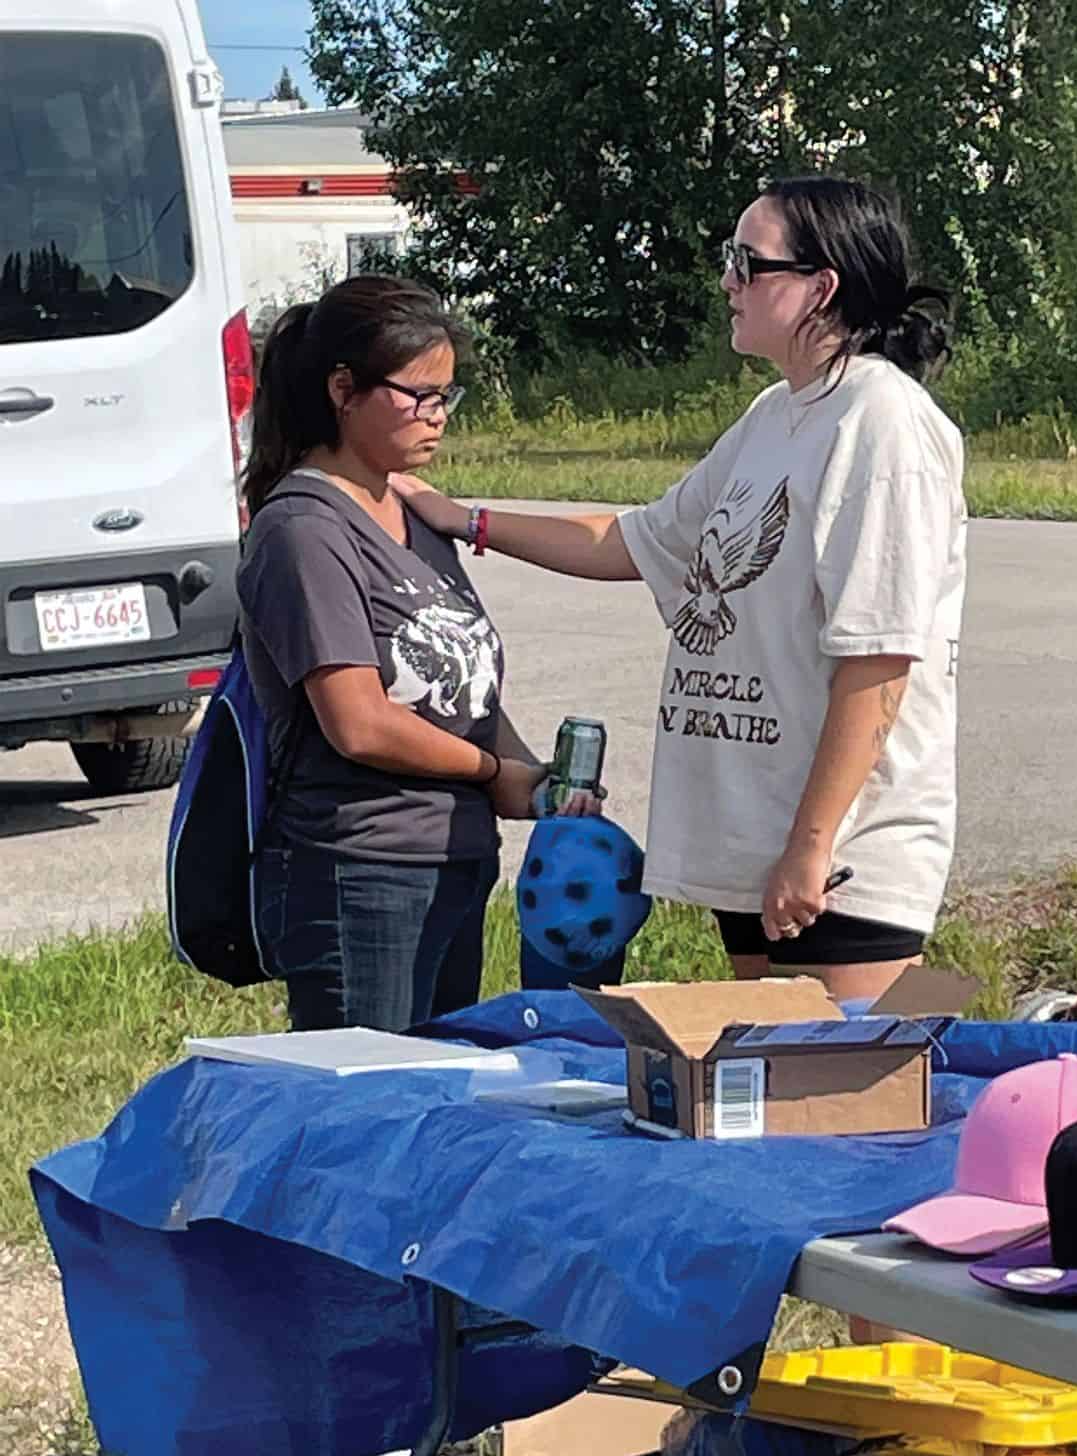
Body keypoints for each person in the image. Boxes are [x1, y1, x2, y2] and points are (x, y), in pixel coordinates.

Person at [395, 177, 967, 1002]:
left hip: (842, 855)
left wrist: (810, 845)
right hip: (757, 842)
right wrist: (465, 519)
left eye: (747, 262)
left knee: (838, 1109)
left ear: (821, 286)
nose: (727, 281)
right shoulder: (777, 415)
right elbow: (634, 538)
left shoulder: (883, 425)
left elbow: (877, 661)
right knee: (769, 1099)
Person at [237, 274, 599, 1035]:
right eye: (418, 395)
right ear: (344, 389)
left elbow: (464, 693)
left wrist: (535, 784)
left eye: (447, 396)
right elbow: (359, 722)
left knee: (439, 1107)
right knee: (370, 1120)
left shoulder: (411, 512)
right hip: (361, 870)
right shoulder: (303, 530)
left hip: (454, 863)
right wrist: (495, 774)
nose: (438, 416)